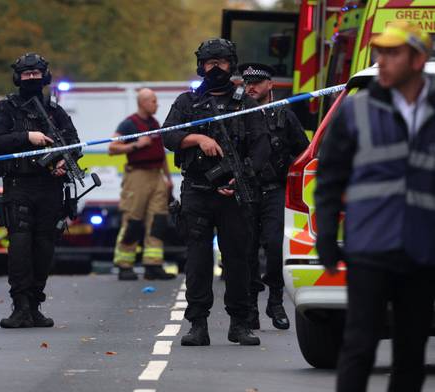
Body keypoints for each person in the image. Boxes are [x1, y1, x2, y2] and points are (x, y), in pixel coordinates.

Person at [315, 21, 434, 392]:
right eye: (379, 53)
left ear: (418, 59)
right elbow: (330, 178)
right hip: (370, 246)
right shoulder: (356, 111)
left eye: (392, 53)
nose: (382, 61)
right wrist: (325, 236)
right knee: (360, 345)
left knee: (411, 353)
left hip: (422, 250)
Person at [163, 38, 270, 346]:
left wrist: (243, 176)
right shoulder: (187, 103)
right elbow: (168, 136)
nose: (215, 68)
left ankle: (240, 323)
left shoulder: (244, 103)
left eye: (221, 62)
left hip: (234, 194)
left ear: (231, 63)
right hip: (197, 190)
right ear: (201, 66)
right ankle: (198, 324)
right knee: (197, 260)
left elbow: (261, 146)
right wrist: (196, 138)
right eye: (210, 63)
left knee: (237, 259)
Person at [0, 53, 82, 329]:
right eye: (26, 75)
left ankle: (35, 303)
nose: (32, 79)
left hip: (50, 187)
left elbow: (74, 143)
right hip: (19, 185)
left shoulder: (55, 111)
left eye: (36, 74)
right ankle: (20, 306)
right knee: (20, 245)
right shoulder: (6, 109)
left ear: (45, 76)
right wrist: (28, 137)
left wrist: (66, 161)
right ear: (18, 77)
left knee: (44, 246)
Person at [238, 62, 309, 330]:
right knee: (246, 251)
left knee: (276, 246)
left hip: (275, 190)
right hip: (247, 190)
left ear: (270, 85)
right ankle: (251, 306)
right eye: (247, 83)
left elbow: (303, 151)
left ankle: (276, 300)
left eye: (257, 82)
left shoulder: (285, 115)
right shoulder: (236, 115)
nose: (251, 87)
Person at [108, 88, 175, 281]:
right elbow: (112, 148)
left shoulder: (155, 124)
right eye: (153, 101)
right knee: (133, 220)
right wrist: (136, 144)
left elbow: (160, 154)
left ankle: (153, 265)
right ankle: (124, 264)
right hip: (137, 176)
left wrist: (168, 178)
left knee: (158, 221)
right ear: (143, 103)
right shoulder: (129, 124)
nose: (157, 104)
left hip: (156, 177)